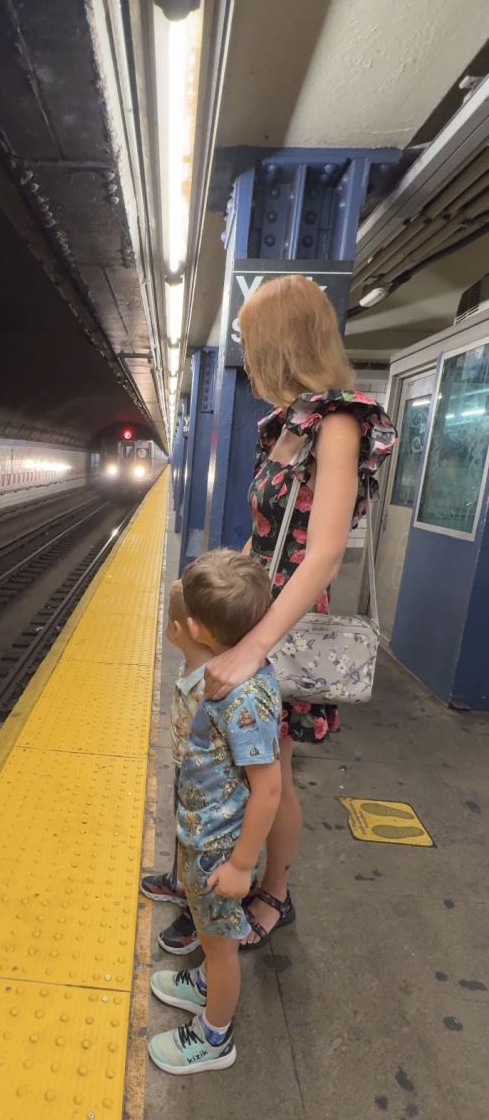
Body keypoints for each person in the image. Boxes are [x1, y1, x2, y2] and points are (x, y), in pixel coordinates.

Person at [202, 274, 396, 949]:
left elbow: (322, 554)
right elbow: (267, 532)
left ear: (280, 342)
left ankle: (271, 896)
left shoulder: (338, 420)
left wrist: (253, 646)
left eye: (252, 338)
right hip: (255, 608)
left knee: (269, 768)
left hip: (284, 621)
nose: (246, 351)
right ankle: (216, 870)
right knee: (241, 761)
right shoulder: (287, 421)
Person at [148, 550, 282, 1075]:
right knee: (210, 935)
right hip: (205, 840)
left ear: (198, 628)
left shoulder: (243, 699)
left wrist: (243, 865)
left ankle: (214, 1035)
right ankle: (204, 981)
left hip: (223, 853)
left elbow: (268, 790)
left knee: (221, 945)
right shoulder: (228, 675)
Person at [140, 580, 211, 955]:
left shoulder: (213, 683)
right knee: (182, 833)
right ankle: (180, 882)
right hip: (187, 774)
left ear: (178, 630)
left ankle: (196, 916)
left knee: (200, 846)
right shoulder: (196, 666)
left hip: (207, 786)